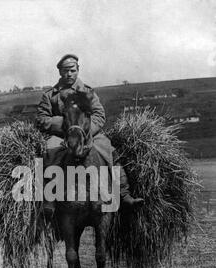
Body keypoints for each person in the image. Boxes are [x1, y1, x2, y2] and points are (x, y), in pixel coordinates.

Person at [36, 54, 143, 216]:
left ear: (78, 70)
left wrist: (84, 132)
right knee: (49, 151)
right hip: (61, 135)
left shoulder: (87, 92)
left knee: (109, 150)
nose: (69, 74)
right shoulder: (50, 95)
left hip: (88, 134)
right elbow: (42, 119)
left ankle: (124, 194)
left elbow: (99, 115)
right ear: (60, 72)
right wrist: (65, 125)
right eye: (66, 71)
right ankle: (49, 199)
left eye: (72, 70)